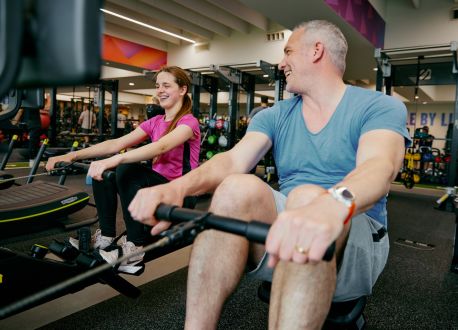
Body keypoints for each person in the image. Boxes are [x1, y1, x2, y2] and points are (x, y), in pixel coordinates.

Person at [128, 20, 410, 329]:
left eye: (288, 52)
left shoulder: (378, 106)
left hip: (354, 230)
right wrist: (178, 188)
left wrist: (331, 203)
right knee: (236, 187)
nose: (281, 62)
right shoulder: (275, 114)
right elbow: (233, 161)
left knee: (307, 197)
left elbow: (379, 168)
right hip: (284, 231)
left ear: (317, 51)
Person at [46, 66, 201, 274]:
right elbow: (115, 143)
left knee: (125, 167)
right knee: (106, 173)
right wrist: (71, 155)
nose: (160, 90)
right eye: (157, 86)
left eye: (167, 85)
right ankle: (106, 238)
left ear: (182, 90)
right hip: (158, 188)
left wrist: (117, 160)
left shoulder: (188, 122)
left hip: (181, 193)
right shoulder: (154, 122)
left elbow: (161, 146)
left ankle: (135, 248)